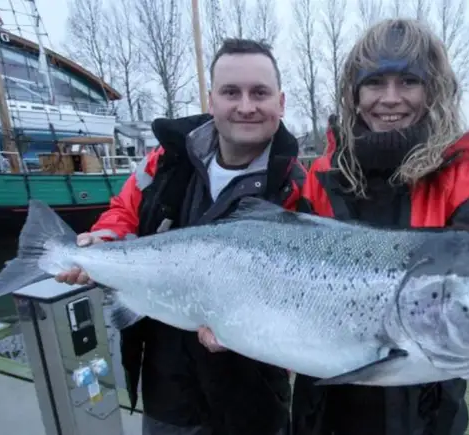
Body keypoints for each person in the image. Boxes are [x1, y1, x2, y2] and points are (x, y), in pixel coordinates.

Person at [54, 38, 304, 435]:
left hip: (252, 397)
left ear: (282, 102)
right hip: (166, 386)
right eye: (230, 92)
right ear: (211, 100)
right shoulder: (166, 160)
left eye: (260, 92)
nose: (245, 106)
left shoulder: (300, 191)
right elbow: (125, 210)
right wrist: (106, 236)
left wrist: (257, 337)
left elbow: (305, 312)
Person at [289, 19, 469, 435]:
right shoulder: (323, 175)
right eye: (375, 82)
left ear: (432, 89)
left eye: (409, 82)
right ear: (354, 93)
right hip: (323, 413)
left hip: (427, 418)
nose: (390, 99)